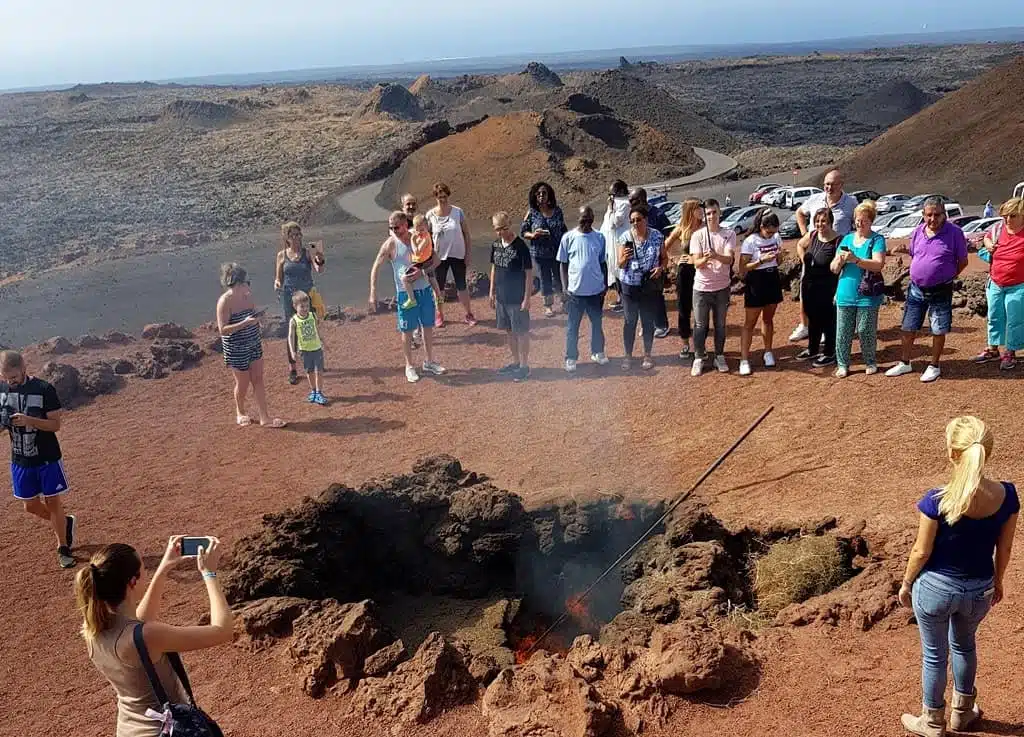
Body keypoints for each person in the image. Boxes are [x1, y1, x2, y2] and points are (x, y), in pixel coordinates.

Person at [898, 416, 1018, 737]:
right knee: (964, 646)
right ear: (986, 452)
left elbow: (920, 553)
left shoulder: (936, 500)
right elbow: (1004, 550)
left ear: (952, 453)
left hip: (935, 589)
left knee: (934, 655)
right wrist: (998, 581)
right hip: (979, 589)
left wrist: (907, 584)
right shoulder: (1007, 496)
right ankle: (962, 713)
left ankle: (932, 721)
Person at [75, 537, 235, 737]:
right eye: (144, 570)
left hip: (129, 729)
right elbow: (223, 630)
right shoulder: (149, 635)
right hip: (165, 731)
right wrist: (209, 573)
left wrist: (164, 568)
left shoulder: (93, 628)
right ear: (133, 581)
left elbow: (137, 622)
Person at [0, 350, 77, 569]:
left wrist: (29, 421)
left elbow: (55, 425)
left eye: (13, 377)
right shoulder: (2, 389)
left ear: (24, 368)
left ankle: (63, 547)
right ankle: (65, 522)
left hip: (47, 457)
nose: (10, 382)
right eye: (5, 378)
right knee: (30, 506)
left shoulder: (44, 389)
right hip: (20, 458)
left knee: (53, 503)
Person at [886, 198, 968, 383]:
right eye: (928, 215)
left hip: (941, 289)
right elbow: (915, 255)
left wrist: (946, 275)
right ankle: (905, 362)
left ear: (944, 214)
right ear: (923, 215)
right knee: (908, 326)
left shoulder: (955, 233)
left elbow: (963, 261)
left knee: (938, 328)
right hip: (916, 288)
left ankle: (934, 365)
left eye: (937, 214)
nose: (932, 219)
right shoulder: (917, 232)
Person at [369, 211, 447, 383]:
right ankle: (409, 365)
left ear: (405, 224)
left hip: (424, 288)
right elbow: (376, 266)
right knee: (407, 330)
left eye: (396, 227)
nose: (394, 230)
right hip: (406, 293)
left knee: (427, 326)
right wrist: (373, 291)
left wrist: (423, 271)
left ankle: (429, 361)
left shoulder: (419, 237)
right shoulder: (390, 244)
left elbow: (436, 260)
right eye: (390, 227)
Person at [791, 168, 859, 343]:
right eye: (826, 184)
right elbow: (799, 212)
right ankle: (805, 325)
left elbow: (858, 222)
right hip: (815, 251)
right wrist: (805, 233)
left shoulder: (851, 202)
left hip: (837, 252)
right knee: (806, 291)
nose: (829, 188)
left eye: (832, 184)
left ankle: (828, 327)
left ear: (841, 185)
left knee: (832, 292)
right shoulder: (815, 199)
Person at [217, 263, 286, 428]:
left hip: (253, 342)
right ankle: (240, 412)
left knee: (258, 379)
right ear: (238, 283)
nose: (249, 285)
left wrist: (258, 321)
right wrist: (244, 323)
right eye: (247, 281)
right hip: (236, 348)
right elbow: (223, 330)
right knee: (243, 383)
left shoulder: (248, 297)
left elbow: (253, 315)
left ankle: (265, 417)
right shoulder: (224, 302)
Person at [831, 202, 887, 378]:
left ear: (871, 221)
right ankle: (842, 364)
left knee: (865, 330)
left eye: (863, 221)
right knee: (843, 331)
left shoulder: (877, 240)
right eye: (857, 220)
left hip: (867, 294)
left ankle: (870, 360)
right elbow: (833, 268)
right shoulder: (846, 239)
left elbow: (878, 264)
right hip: (845, 292)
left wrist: (856, 259)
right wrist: (839, 261)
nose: (859, 224)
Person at [974, 198, 1024, 370]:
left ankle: (1010, 351)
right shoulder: (998, 229)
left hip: (1019, 284)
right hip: (996, 281)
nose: (1008, 220)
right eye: (1004, 216)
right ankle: (993, 348)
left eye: (1012, 216)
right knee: (994, 315)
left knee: (1014, 318)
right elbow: (987, 238)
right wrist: (989, 245)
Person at [559, 206, 609, 372]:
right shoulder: (568, 238)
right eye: (583, 219)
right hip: (575, 293)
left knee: (597, 323)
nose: (587, 223)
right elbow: (563, 265)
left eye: (589, 219)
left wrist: (605, 284)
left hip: (595, 291)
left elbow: (603, 263)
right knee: (573, 327)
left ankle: (598, 352)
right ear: (577, 219)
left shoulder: (599, 237)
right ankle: (571, 357)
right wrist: (565, 288)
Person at [274, 222, 325, 385]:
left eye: (298, 234)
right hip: (290, 297)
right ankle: (293, 368)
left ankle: (316, 360)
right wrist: (276, 284)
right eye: (292, 235)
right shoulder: (282, 255)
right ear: (286, 238)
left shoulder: (308, 252)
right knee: (293, 331)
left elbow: (319, 270)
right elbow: (278, 278)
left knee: (311, 328)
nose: (296, 238)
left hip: (307, 296)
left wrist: (320, 260)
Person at [688, 199, 735, 375]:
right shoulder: (697, 236)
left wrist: (716, 255)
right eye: (708, 213)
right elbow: (697, 263)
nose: (712, 216)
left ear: (720, 212)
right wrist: (707, 258)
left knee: (721, 325)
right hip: (702, 288)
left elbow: (729, 259)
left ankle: (719, 355)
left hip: (722, 287)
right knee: (700, 325)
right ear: (704, 216)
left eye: (714, 212)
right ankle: (699, 357)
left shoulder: (728, 234)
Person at [618, 204, 667, 371]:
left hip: (649, 285)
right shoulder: (625, 237)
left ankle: (647, 354)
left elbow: (664, 258)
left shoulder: (657, 236)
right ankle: (628, 356)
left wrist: (661, 268)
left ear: (646, 220)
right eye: (632, 221)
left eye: (639, 219)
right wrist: (624, 258)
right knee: (630, 321)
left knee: (647, 321)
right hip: (630, 286)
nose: (635, 223)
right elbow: (620, 264)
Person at [737, 209, 784, 376]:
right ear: (761, 226)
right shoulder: (750, 241)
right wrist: (761, 260)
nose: (771, 235)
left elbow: (779, 261)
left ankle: (768, 352)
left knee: (768, 319)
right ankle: (744, 359)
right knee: (750, 323)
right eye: (768, 232)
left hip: (772, 279)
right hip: (756, 281)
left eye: (774, 232)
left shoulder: (777, 238)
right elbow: (742, 269)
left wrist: (778, 256)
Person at [490, 212, 533, 381]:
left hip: (517, 298)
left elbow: (529, 273)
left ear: (510, 225)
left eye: (503, 228)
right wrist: (491, 291)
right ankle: (515, 362)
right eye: (497, 229)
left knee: (521, 332)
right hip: (501, 297)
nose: (501, 232)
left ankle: (524, 365)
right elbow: (494, 267)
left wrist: (527, 298)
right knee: (509, 331)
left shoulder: (520, 247)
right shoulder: (495, 245)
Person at [796, 207, 841, 367]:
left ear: (830, 222)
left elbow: (841, 266)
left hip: (827, 286)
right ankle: (812, 348)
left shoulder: (838, 241)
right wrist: (804, 260)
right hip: (809, 284)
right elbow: (800, 245)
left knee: (828, 320)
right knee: (812, 317)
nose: (820, 224)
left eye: (823, 221)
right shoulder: (813, 235)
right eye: (817, 221)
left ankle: (829, 352)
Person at [426, 182, 476, 327]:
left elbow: (466, 234)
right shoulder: (430, 215)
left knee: (462, 286)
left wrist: (468, 254)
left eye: (445, 196)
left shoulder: (457, 212)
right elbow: (426, 237)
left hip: (458, 255)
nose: (443, 199)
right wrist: (427, 257)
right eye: (439, 197)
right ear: (435, 197)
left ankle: (468, 313)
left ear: (448, 195)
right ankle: (440, 314)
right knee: (439, 290)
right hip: (438, 258)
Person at [630, 187, 673, 338]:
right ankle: (647, 324)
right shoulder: (634, 216)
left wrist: (663, 258)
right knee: (641, 296)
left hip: (657, 264)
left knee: (656, 296)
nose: (630, 203)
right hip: (640, 266)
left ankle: (661, 325)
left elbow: (669, 233)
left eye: (632, 200)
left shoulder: (657, 214)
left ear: (641, 199)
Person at [521, 182, 567, 318]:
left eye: (544, 193)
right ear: (535, 196)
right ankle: (548, 306)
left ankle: (564, 302)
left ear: (549, 195)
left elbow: (564, 229)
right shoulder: (531, 213)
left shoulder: (557, 211)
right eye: (538, 193)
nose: (541, 195)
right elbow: (523, 232)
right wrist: (533, 235)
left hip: (557, 251)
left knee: (559, 277)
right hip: (539, 253)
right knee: (545, 278)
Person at [664, 198, 703, 360]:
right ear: (690, 210)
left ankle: (701, 345)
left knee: (701, 311)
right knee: (684, 309)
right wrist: (675, 259)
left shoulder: (705, 228)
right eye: (698, 208)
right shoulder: (681, 229)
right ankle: (685, 343)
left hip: (702, 271)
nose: (701, 211)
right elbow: (665, 246)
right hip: (685, 273)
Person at [287, 290, 328, 405]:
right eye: (302, 306)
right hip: (304, 351)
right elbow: (291, 337)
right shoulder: (294, 320)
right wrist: (292, 351)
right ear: (295, 307)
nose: (305, 309)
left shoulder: (313, 316)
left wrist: (324, 342)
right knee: (309, 372)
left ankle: (319, 392)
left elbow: (318, 330)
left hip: (317, 349)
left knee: (319, 371)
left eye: (307, 306)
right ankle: (313, 391)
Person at [601, 180, 630, 313]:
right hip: (611, 243)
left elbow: (614, 223)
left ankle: (625, 301)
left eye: (612, 194)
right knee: (614, 270)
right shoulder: (614, 205)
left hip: (619, 242)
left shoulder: (624, 204)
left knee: (621, 270)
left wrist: (611, 207)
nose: (610, 197)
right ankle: (620, 298)